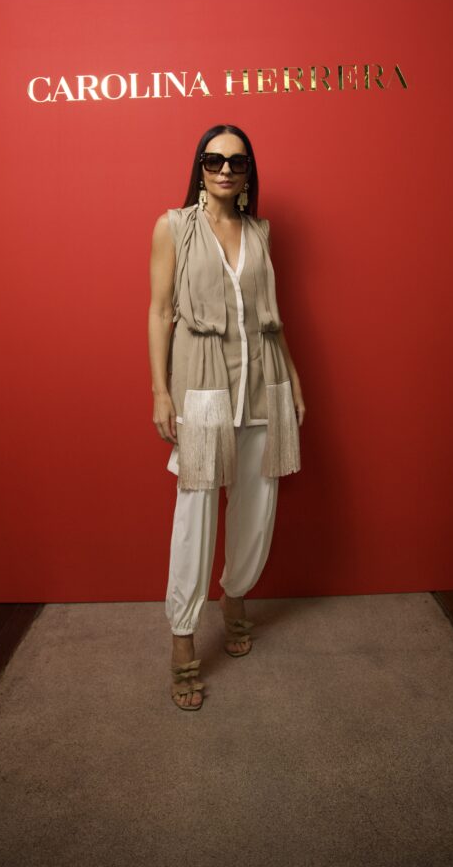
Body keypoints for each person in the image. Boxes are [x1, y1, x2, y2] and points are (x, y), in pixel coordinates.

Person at [148, 124, 305, 711]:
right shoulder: (173, 228)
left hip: (264, 383)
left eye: (237, 163)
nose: (224, 170)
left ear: (247, 174)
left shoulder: (260, 231)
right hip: (203, 385)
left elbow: (271, 317)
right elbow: (159, 311)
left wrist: (295, 382)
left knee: (257, 506)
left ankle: (234, 593)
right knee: (196, 513)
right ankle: (183, 635)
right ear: (200, 166)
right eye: (214, 160)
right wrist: (160, 390)